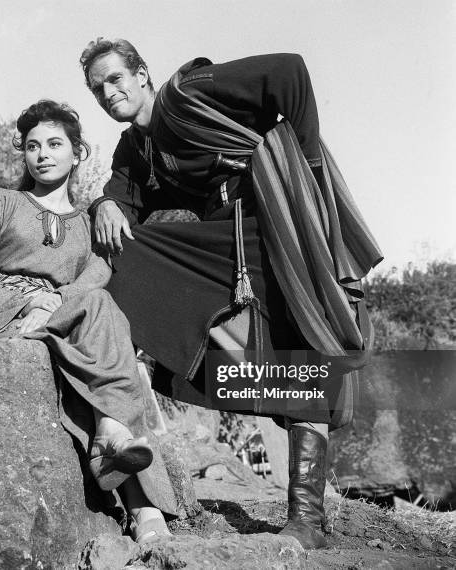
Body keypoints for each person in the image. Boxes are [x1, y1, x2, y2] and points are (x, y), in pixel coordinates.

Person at [80, 38, 383, 549]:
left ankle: (307, 520)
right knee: (127, 257)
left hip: (276, 223)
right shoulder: (135, 149)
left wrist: (304, 175)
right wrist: (103, 205)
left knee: (302, 353)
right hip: (226, 244)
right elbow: (123, 204)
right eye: (97, 89)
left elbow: (290, 71)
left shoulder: (188, 90)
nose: (109, 93)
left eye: (115, 79)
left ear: (142, 74)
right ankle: (120, 413)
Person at [0, 99, 176, 543]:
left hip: (63, 316)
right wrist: (25, 305)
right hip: (5, 317)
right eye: (33, 145)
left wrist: (53, 301)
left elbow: (96, 276)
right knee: (102, 330)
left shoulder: (90, 221)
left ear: (78, 153)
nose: (42, 153)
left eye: (55, 144)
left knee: (97, 313)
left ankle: (113, 441)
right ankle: (143, 505)